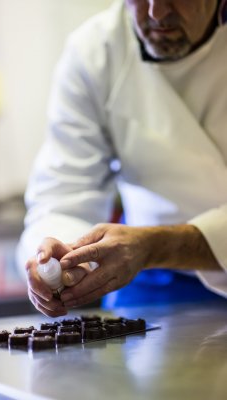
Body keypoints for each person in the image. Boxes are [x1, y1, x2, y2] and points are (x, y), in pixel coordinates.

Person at [17, 0, 227, 317]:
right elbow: (65, 193)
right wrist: (55, 258)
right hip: (151, 281)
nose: (156, 12)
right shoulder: (96, 51)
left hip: (146, 254)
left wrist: (155, 246)